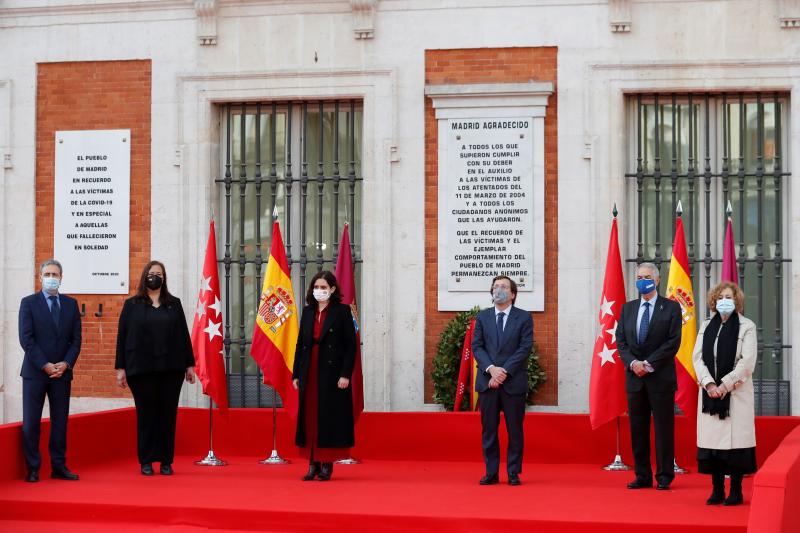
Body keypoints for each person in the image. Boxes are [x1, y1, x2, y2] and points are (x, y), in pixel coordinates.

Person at [115, 261, 196, 476]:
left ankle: (166, 461)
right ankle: (146, 460)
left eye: (159, 274)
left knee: (167, 416)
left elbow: (183, 335)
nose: (155, 277)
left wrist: (190, 365)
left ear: (164, 278)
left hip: (171, 369)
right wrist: (120, 367)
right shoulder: (132, 305)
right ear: (144, 277)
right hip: (141, 370)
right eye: (151, 273)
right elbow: (122, 336)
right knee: (146, 415)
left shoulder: (174, 304)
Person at [616, 262, 682, 490]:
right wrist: (634, 363)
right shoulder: (628, 309)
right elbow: (621, 342)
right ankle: (642, 475)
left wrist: (649, 363)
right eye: (639, 277)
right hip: (635, 379)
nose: (642, 280)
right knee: (638, 429)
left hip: (660, 379)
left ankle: (664, 476)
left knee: (663, 429)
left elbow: (673, 342)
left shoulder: (671, 308)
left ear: (657, 280)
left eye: (646, 277)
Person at [692, 281, 757, 506]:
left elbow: (747, 362)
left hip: (735, 396)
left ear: (736, 300)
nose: (723, 301)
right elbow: (697, 358)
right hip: (710, 395)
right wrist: (709, 384)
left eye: (728, 297)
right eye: (719, 298)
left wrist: (725, 385)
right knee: (713, 446)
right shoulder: (706, 325)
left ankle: (736, 491)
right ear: (714, 301)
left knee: (735, 447)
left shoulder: (747, 326)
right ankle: (717, 489)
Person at [19, 259, 82, 482]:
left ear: (61, 278)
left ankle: (58, 466)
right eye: (47, 274)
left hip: (62, 374)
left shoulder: (71, 304)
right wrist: (45, 365)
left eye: (55, 274)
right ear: (40, 277)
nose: (51, 278)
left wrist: (66, 363)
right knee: (31, 422)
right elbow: (26, 339)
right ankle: (33, 468)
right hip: (35, 373)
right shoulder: (28, 303)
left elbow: (76, 340)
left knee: (60, 422)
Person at [292, 271, 357, 481]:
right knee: (310, 415)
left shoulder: (343, 312)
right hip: (309, 369)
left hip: (332, 372)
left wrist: (345, 374)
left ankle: (326, 463)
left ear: (332, 289)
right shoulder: (308, 311)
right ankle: (313, 463)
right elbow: (300, 344)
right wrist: (296, 373)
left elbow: (351, 346)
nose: (319, 291)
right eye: (316, 287)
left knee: (327, 416)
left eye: (323, 287)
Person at [471, 275, 533, 486]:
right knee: (489, 430)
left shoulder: (524, 318)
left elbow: (524, 348)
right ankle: (491, 472)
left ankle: (513, 472)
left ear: (513, 294)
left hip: (512, 382)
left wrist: (504, 371)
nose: (499, 289)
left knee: (514, 429)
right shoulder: (483, 317)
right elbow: (477, 347)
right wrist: (491, 369)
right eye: (496, 286)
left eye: (504, 287)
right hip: (487, 382)